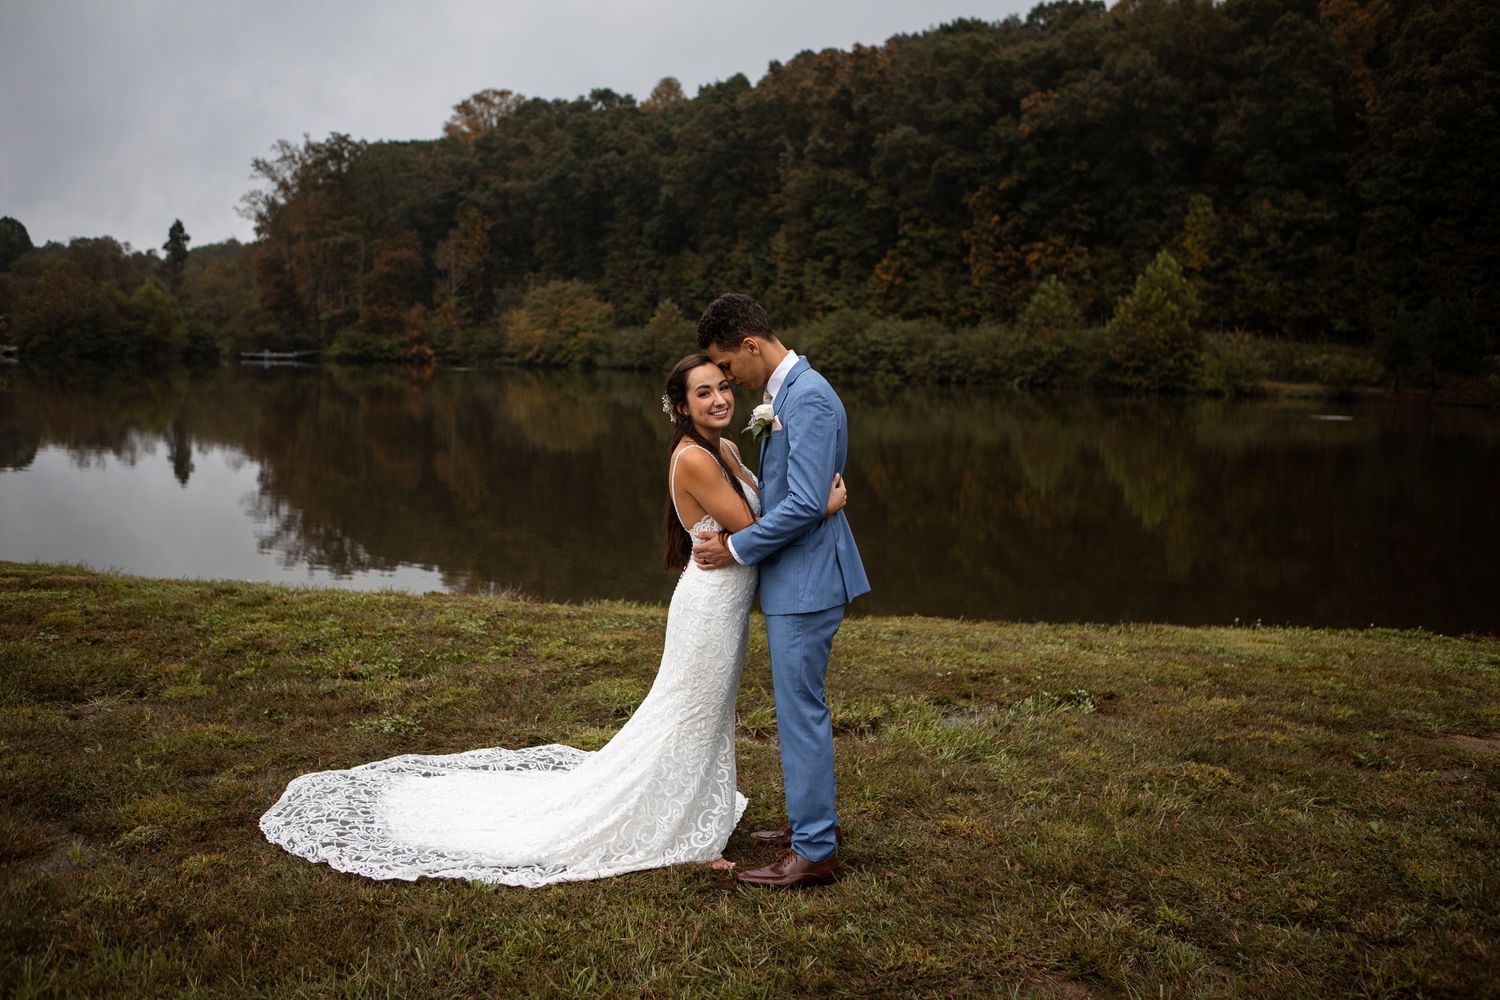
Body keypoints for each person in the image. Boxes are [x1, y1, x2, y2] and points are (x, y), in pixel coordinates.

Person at [258, 354, 846, 887]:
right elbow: (751, 528)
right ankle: (671, 831)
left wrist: (789, 500)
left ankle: (695, 815)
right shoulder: (692, 457)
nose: (720, 399)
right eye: (703, 393)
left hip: (725, 604)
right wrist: (816, 504)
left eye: (723, 387)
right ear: (682, 406)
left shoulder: (728, 449)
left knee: (705, 713)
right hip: (708, 609)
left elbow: (761, 517)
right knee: (687, 712)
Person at [691, 292, 870, 888]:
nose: (727, 379)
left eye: (727, 365)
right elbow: (802, 495)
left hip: (809, 578)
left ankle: (815, 849)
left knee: (800, 712)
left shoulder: (810, 398)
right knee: (798, 707)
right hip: (798, 573)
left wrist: (737, 548)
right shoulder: (785, 395)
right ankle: (807, 824)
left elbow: (800, 505)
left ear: (750, 345)